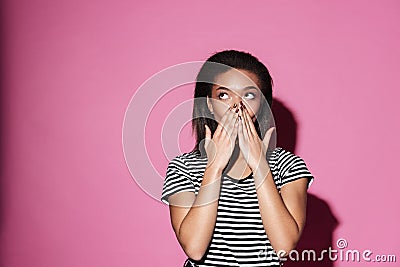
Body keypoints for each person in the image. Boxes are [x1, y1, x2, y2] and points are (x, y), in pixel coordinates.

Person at [161, 50, 314, 267]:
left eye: (249, 95)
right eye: (224, 95)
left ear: (262, 104)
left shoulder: (288, 165)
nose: (237, 106)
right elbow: (194, 248)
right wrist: (214, 167)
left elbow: (284, 246)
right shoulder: (183, 167)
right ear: (210, 104)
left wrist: (260, 165)